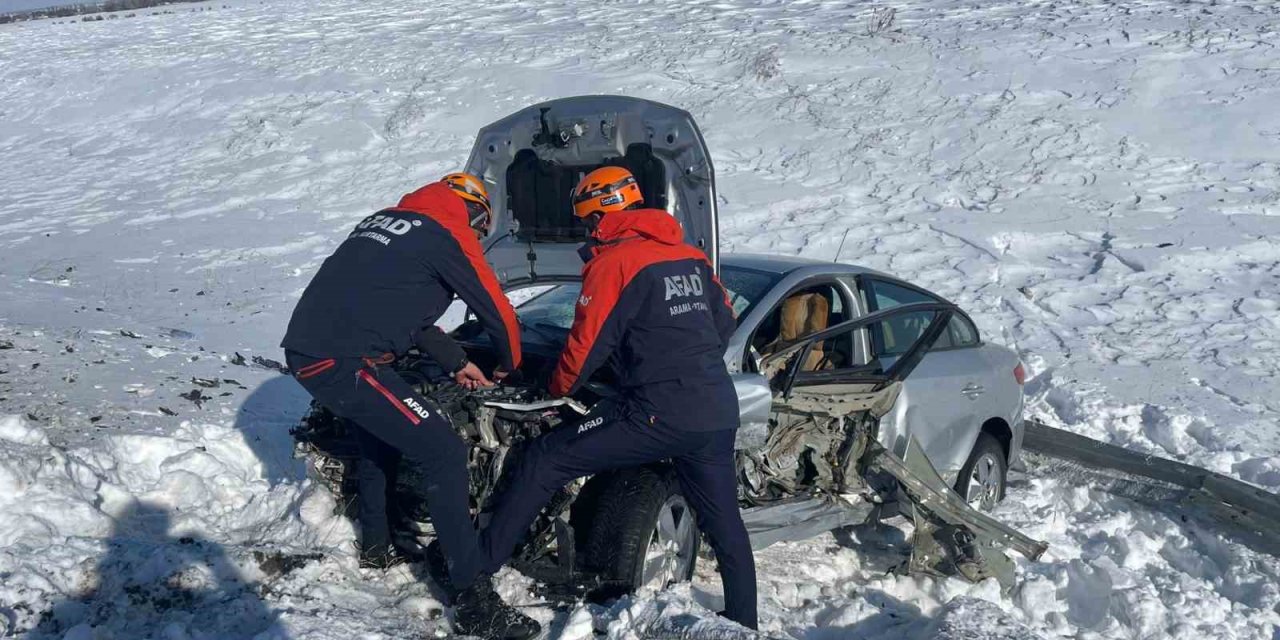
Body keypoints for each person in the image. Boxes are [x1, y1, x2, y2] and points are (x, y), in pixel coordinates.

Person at [476, 166, 759, 629]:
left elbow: (583, 349)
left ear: (598, 213)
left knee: (547, 457)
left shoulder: (616, 262)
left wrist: (551, 389)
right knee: (725, 524)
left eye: (586, 220)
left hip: (655, 412)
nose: (587, 230)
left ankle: (476, 571)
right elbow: (723, 324)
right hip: (714, 411)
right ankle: (744, 623)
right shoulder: (689, 256)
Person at [280, 173, 539, 639]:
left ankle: (377, 547)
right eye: (480, 227)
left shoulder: (386, 223)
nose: (478, 236)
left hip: (310, 352)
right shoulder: (447, 232)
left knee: (379, 439)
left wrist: (458, 362)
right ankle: (475, 601)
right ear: (475, 212)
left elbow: (410, 320)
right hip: (345, 362)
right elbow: (498, 313)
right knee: (442, 451)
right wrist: (507, 365)